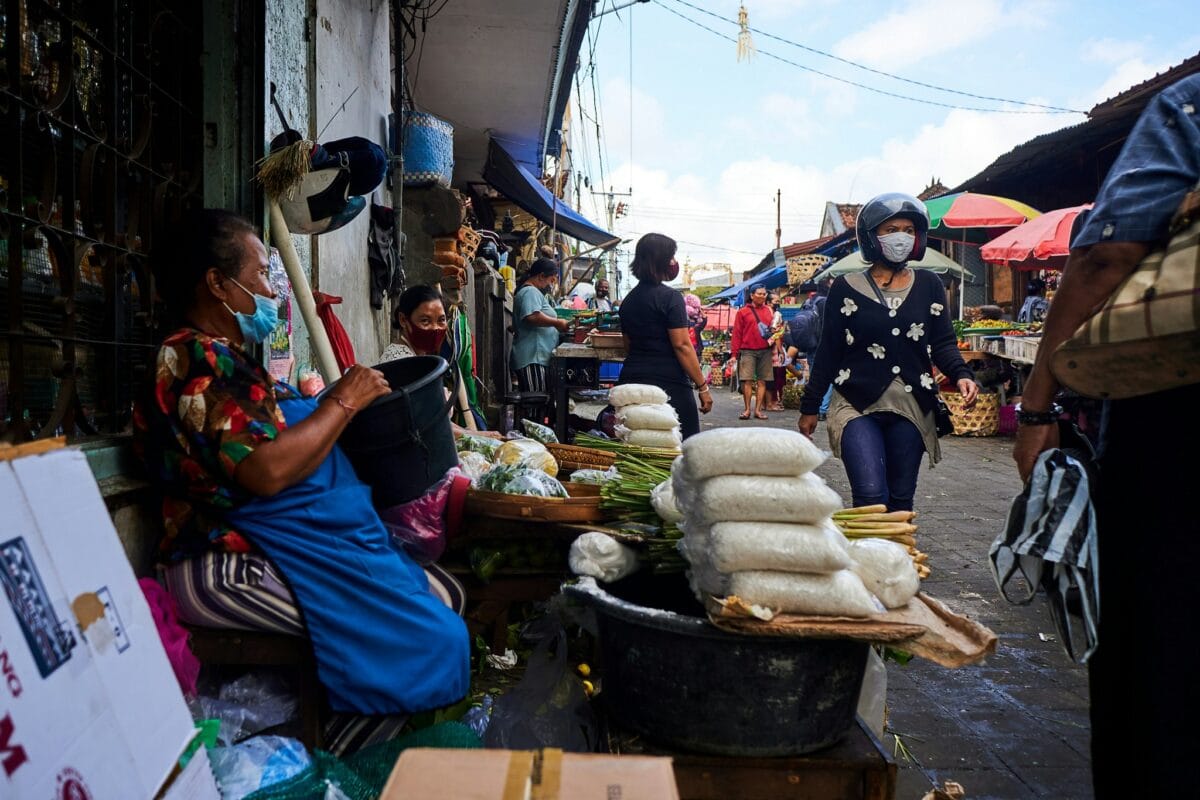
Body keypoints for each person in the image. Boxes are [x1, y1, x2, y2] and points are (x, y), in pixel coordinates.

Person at [134, 210, 469, 745]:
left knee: (440, 594)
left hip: (286, 546)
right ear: (218, 284)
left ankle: (359, 735)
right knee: (418, 636)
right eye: (262, 274)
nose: (271, 289)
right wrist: (342, 400)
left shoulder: (235, 360)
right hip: (223, 563)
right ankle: (333, 763)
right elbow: (266, 471)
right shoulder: (193, 358)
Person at [1012, 73, 1200, 799]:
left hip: (1177, 414)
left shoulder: (1188, 108)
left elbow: (1105, 257)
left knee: (1163, 663)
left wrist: (1035, 408)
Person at [798, 193, 978, 511]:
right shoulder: (845, 287)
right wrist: (810, 405)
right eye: (892, 228)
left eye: (909, 230)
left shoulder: (930, 285)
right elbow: (829, 349)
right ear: (871, 237)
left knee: (899, 500)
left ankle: (895, 560)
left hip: (912, 404)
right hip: (856, 403)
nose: (902, 237)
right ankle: (869, 558)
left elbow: (943, 343)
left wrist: (962, 374)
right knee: (869, 496)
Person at [618, 233, 713, 438]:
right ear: (660, 260)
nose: (673, 262)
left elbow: (628, 345)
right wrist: (703, 387)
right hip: (669, 384)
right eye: (671, 257)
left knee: (636, 446)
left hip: (631, 380)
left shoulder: (628, 301)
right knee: (683, 444)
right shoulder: (671, 298)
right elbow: (682, 345)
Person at [379, 285, 500, 439]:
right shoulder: (400, 361)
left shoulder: (419, 358)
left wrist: (478, 434)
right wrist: (480, 436)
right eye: (425, 321)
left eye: (441, 320)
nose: (435, 328)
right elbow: (427, 424)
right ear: (403, 320)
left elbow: (437, 418)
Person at [511, 257, 569, 396]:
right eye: (551, 280)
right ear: (542, 276)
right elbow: (532, 316)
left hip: (536, 358)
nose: (551, 285)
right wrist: (557, 323)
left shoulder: (532, 293)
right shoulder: (530, 292)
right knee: (535, 403)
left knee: (539, 402)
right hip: (532, 358)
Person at [731, 284, 775, 420]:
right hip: (747, 350)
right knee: (747, 380)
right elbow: (737, 334)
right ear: (752, 295)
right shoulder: (742, 312)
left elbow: (773, 331)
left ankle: (758, 410)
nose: (762, 296)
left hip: (765, 350)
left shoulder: (769, 311)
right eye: (759, 294)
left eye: (764, 294)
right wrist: (734, 354)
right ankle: (746, 410)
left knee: (762, 381)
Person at [683, 292, 707, 361]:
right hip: (687, 349)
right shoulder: (684, 326)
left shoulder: (697, 328)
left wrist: (700, 310)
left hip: (696, 350)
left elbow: (704, 321)